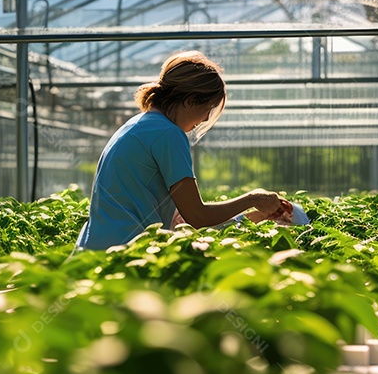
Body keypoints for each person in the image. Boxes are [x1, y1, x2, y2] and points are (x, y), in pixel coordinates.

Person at [75, 51, 291, 251]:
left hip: (95, 248)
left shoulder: (139, 125)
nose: (205, 119)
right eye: (208, 108)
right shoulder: (168, 134)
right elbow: (197, 216)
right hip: (124, 252)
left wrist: (253, 218)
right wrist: (252, 198)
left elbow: (182, 221)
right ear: (190, 100)